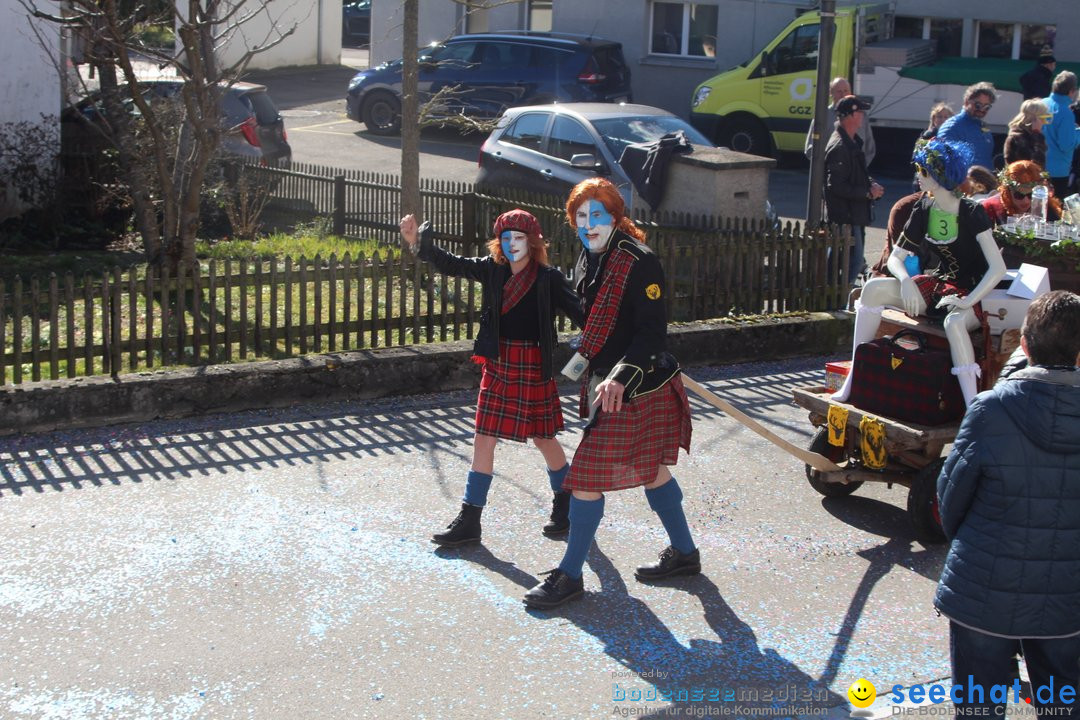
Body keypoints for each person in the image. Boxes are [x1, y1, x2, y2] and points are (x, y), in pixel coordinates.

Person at [522, 178, 695, 610]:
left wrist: (620, 376)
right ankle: (686, 554)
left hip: (638, 386)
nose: (588, 224)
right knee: (652, 469)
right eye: (580, 217)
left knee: (583, 478)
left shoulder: (639, 262)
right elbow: (594, 318)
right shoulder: (588, 256)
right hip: (607, 382)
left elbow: (652, 333)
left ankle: (570, 575)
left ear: (616, 217)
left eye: (597, 215)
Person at [399, 209, 584, 547]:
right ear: (498, 242)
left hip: (531, 364)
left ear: (533, 241)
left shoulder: (548, 279)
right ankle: (470, 519)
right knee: (483, 437)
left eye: (519, 238)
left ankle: (565, 500)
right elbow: (452, 263)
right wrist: (419, 243)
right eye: (506, 238)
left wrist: (609, 335)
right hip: (498, 363)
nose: (512, 244)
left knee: (543, 438)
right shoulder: (492, 269)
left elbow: (582, 313)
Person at [935, 289, 1080, 719]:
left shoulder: (991, 409)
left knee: (979, 709)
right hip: (1066, 597)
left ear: (1024, 344)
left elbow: (949, 499)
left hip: (983, 589)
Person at [831, 140, 1006, 408]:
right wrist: (905, 282)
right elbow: (896, 258)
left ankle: (973, 406)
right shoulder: (923, 208)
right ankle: (855, 375)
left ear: (938, 174)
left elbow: (998, 268)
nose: (918, 176)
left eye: (922, 171)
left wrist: (969, 301)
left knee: (953, 323)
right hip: (938, 285)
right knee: (872, 290)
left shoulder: (972, 212)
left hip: (972, 292)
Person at [823, 95, 885, 284]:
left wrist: (871, 185)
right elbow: (836, 185)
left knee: (846, 260)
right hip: (846, 215)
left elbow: (856, 175)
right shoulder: (840, 146)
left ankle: (838, 297)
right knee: (852, 261)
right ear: (849, 116)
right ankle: (840, 300)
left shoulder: (852, 141)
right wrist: (867, 192)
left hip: (854, 214)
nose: (863, 116)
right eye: (860, 112)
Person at [805, 76, 876, 168]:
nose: (843, 95)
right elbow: (811, 149)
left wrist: (859, 169)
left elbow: (869, 148)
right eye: (839, 91)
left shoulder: (861, 115)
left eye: (846, 91)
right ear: (831, 93)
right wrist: (828, 168)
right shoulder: (822, 116)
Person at [936, 82, 997, 171]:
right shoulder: (952, 126)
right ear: (966, 102)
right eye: (978, 105)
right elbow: (944, 161)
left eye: (987, 107)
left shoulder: (983, 127)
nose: (981, 109)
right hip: (963, 183)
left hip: (985, 182)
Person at [980, 160, 1061, 226]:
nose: (1025, 201)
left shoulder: (1048, 210)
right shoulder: (991, 209)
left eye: (1031, 195)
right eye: (1019, 195)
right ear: (1007, 192)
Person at [1042, 71, 1080, 199]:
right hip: (1058, 172)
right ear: (1071, 91)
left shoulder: (1041, 104)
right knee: (1054, 213)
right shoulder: (1066, 112)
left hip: (1037, 167)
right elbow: (1066, 145)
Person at [1003, 98, 1050, 169]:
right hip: (1023, 178)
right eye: (1043, 118)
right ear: (1033, 119)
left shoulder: (1026, 135)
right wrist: (1037, 135)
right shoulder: (1018, 138)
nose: (1044, 122)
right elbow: (1036, 165)